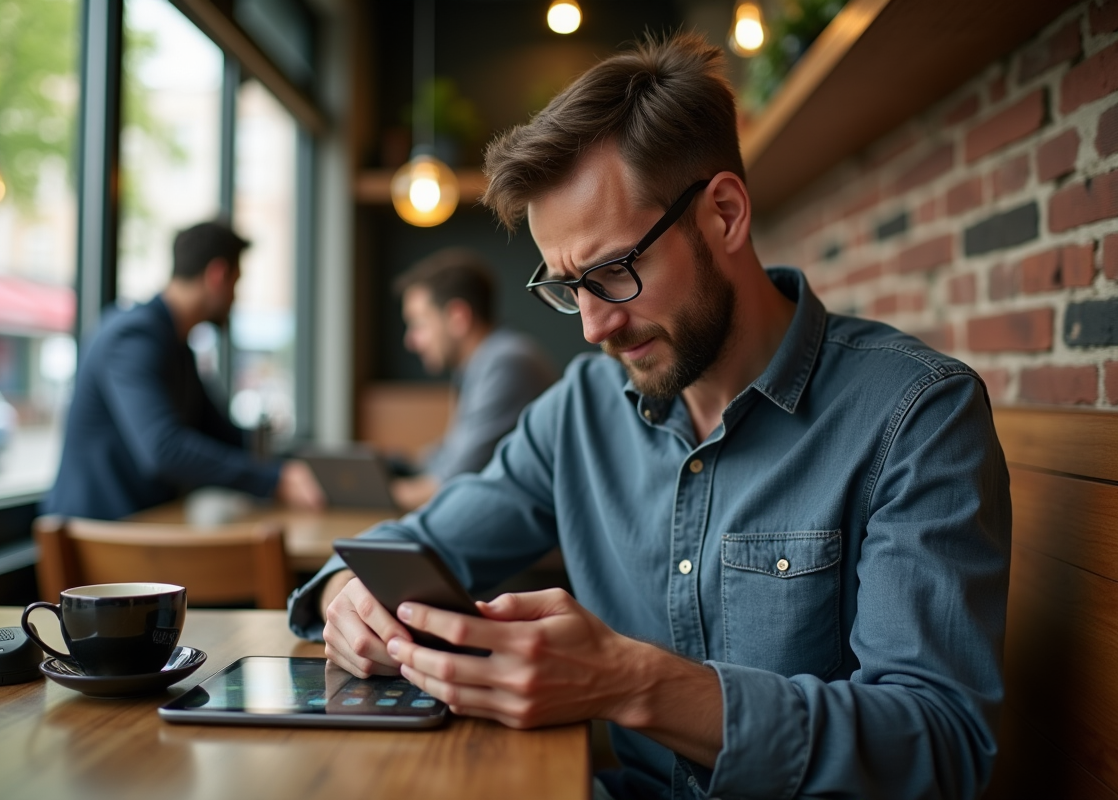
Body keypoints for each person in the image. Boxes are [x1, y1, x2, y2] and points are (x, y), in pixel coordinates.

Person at [289, 33, 1010, 800]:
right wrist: (348, 598)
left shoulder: (915, 416)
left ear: (724, 214)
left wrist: (631, 683)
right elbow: (419, 541)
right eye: (569, 287)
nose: (593, 328)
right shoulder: (578, 412)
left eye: (615, 272)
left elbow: (938, 748)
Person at [44, 220, 324, 520]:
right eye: (236, 283)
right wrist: (273, 481)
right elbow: (163, 450)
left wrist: (298, 465)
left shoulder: (176, 345)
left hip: (139, 531)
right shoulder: (133, 337)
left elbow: (222, 435)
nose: (235, 299)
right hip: (94, 539)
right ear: (218, 275)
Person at [388, 248, 556, 510]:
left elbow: (454, 482)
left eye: (419, 324)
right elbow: (448, 456)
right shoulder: (480, 365)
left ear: (458, 317)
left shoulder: (506, 363)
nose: (410, 341)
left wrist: (359, 493)